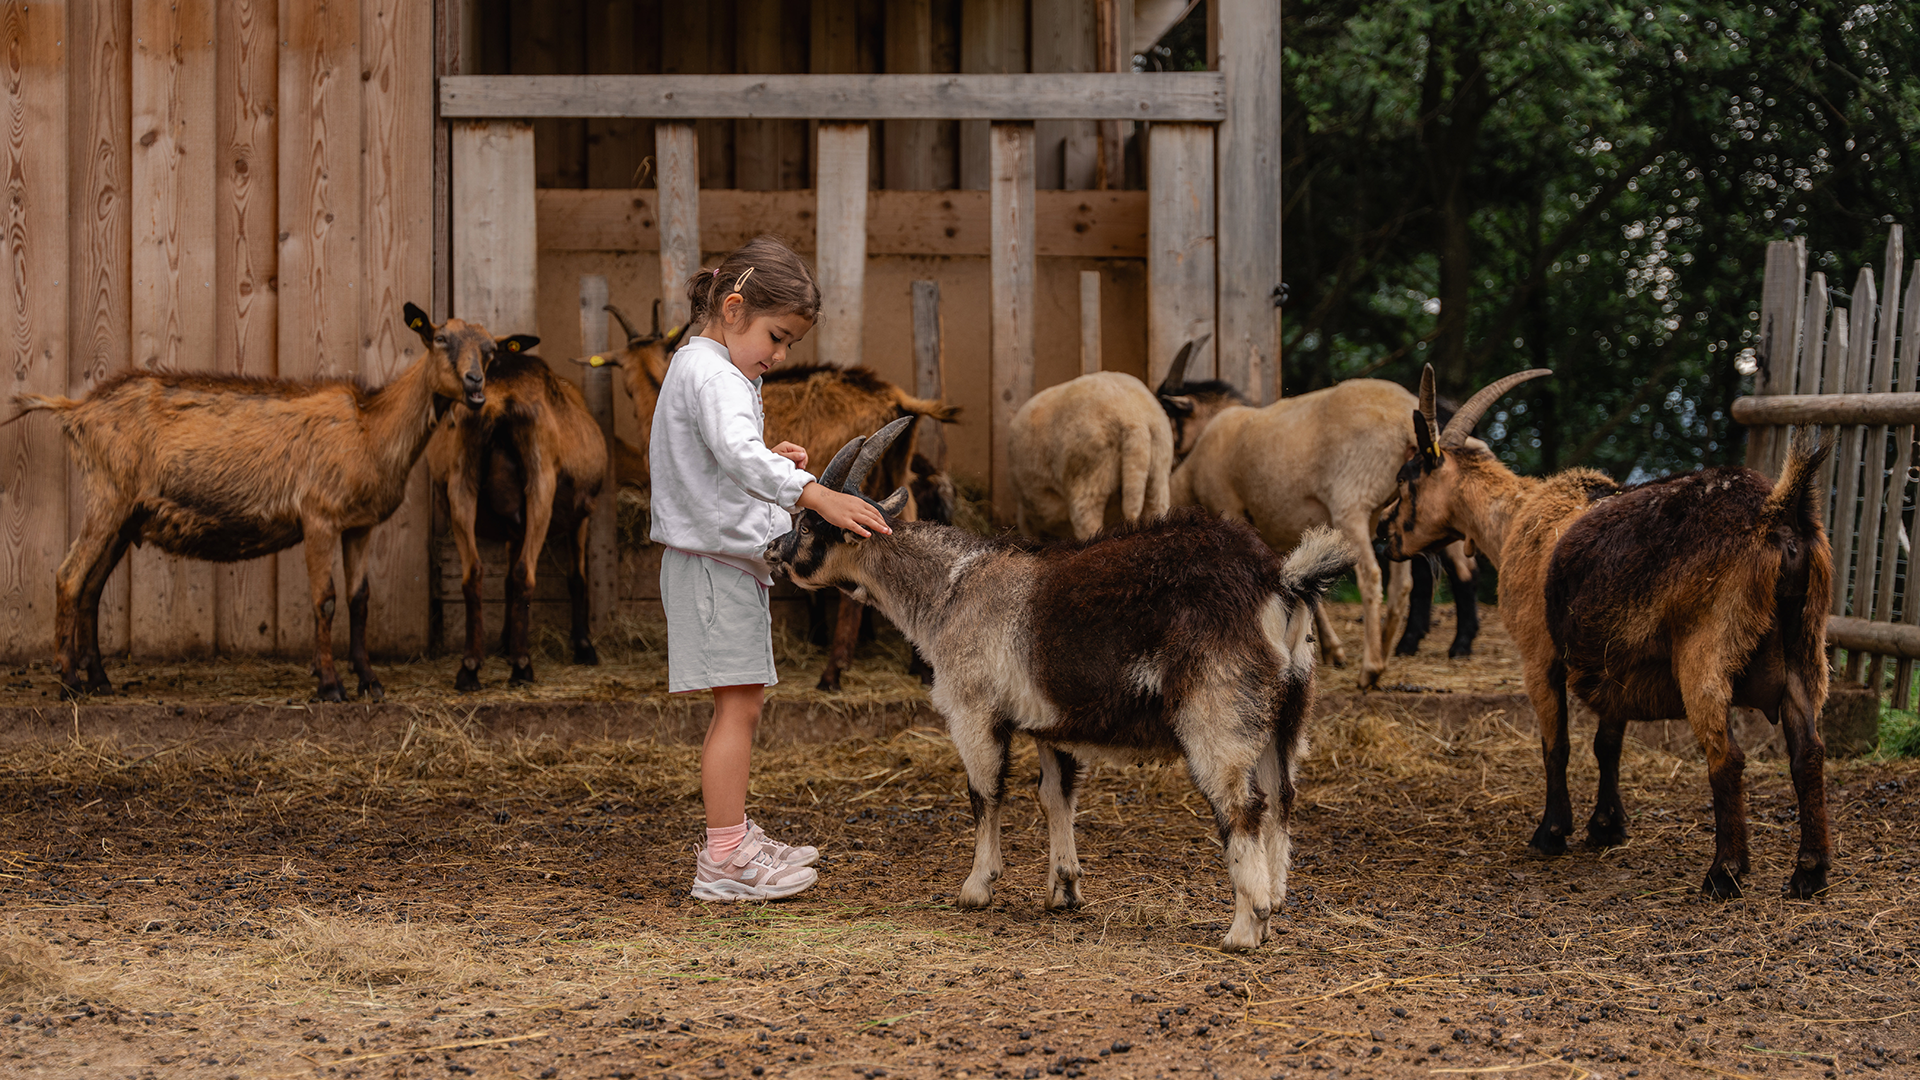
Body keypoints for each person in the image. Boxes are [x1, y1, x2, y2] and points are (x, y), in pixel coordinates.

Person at [650, 234, 892, 901]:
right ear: (733, 311)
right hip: (711, 565)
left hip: (721, 562)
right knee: (738, 711)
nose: (780, 356)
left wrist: (764, 453)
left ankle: (734, 837)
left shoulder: (706, 369)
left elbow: (722, 453)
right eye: (777, 337)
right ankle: (724, 860)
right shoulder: (715, 373)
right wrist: (811, 489)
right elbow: (729, 448)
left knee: (744, 705)